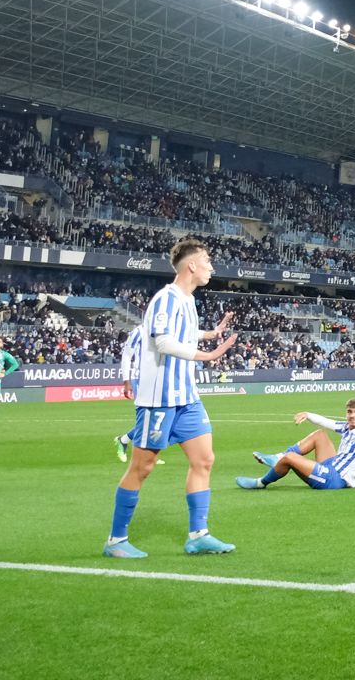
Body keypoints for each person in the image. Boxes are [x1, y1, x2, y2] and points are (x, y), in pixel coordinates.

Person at [103, 239, 238, 559]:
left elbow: (184, 334)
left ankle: (198, 535)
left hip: (187, 398)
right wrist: (206, 355)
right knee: (142, 467)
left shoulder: (188, 301)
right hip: (159, 400)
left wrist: (210, 334)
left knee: (204, 460)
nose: (211, 267)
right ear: (191, 265)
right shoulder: (165, 298)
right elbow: (163, 342)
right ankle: (115, 540)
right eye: (207, 261)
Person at [236, 398, 355, 490]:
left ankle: (260, 483)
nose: (352, 416)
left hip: (335, 479)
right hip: (333, 465)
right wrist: (307, 414)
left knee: (290, 457)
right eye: (350, 412)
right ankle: (277, 457)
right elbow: (326, 422)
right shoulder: (347, 426)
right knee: (320, 434)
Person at [114, 326, 163, 465]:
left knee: (156, 418)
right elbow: (127, 355)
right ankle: (127, 444)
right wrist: (126, 380)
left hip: (156, 380)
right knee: (146, 418)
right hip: (140, 379)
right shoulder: (139, 332)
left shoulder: (163, 330)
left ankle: (125, 441)